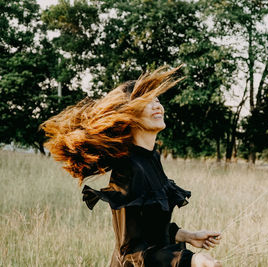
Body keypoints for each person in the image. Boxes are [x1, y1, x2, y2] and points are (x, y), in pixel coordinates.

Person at [40, 66, 222, 267]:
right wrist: (191, 260)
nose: (157, 106)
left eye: (158, 100)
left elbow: (150, 229)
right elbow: (131, 253)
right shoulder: (128, 169)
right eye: (147, 102)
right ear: (130, 114)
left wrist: (188, 235)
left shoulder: (151, 158)